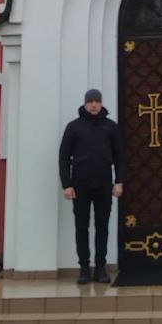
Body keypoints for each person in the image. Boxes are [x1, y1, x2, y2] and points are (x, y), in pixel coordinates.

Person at [59, 88, 125, 284]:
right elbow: (64, 157)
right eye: (91, 101)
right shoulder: (74, 127)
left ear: (101, 103)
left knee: (102, 226)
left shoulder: (111, 127)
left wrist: (119, 181)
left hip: (104, 184)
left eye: (97, 101)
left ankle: (101, 268)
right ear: (85, 103)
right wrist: (66, 184)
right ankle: (84, 269)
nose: (94, 105)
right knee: (81, 226)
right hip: (80, 185)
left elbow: (120, 156)